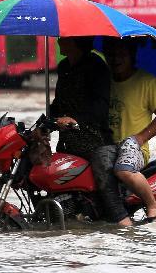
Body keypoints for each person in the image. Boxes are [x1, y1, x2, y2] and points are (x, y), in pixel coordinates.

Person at [48, 36, 129, 226]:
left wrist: (75, 119)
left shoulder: (97, 67)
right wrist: (45, 123)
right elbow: (59, 103)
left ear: (76, 42)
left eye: (64, 38)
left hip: (96, 143)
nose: (59, 41)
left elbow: (100, 108)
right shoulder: (64, 67)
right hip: (68, 142)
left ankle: (125, 226)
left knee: (107, 190)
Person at [103, 37, 156, 222]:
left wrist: (140, 138)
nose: (115, 59)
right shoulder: (103, 81)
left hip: (135, 148)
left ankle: (153, 205)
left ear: (131, 55)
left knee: (123, 170)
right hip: (107, 145)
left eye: (121, 54)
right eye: (111, 54)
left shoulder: (147, 81)